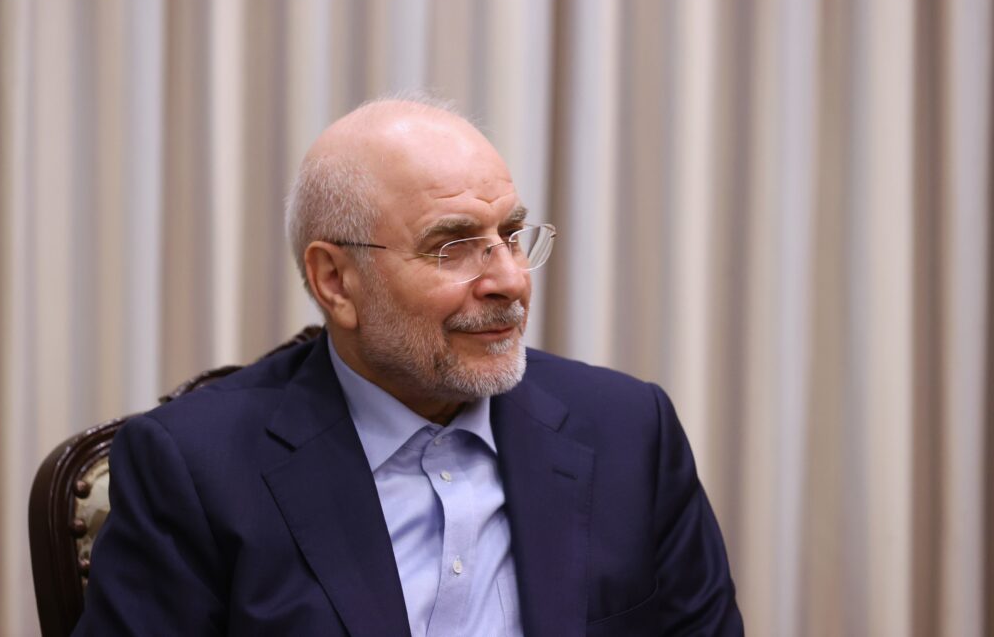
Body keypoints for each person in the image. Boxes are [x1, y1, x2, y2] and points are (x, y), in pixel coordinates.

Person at [75, 97, 743, 636]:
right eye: (454, 246)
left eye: (511, 236)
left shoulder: (630, 431)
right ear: (336, 281)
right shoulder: (195, 467)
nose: (510, 280)